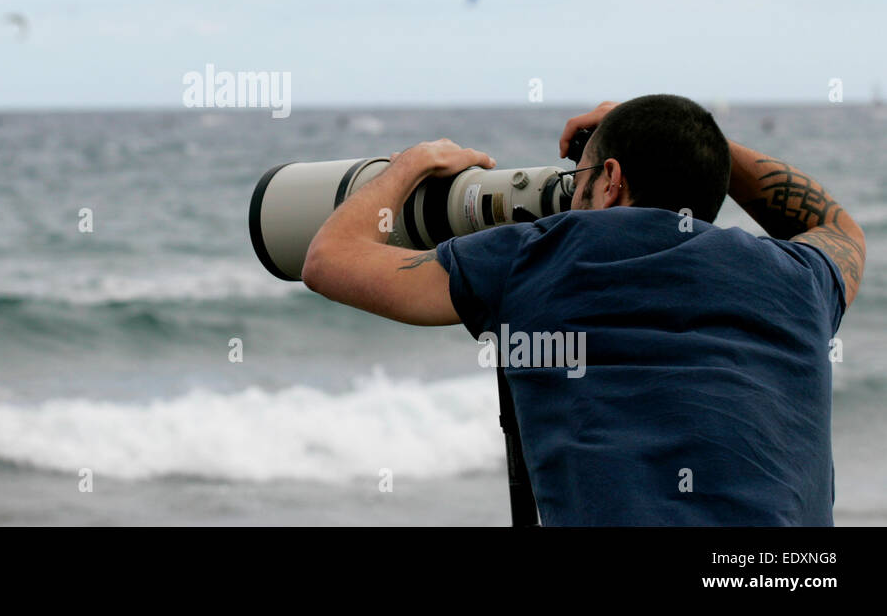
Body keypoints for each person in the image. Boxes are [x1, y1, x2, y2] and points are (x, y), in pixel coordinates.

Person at [301, 94, 864, 525]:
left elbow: (328, 260)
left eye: (578, 179)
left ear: (612, 180)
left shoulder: (537, 255)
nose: (568, 199)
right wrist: (696, 140)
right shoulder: (799, 279)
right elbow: (838, 227)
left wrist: (408, 167)